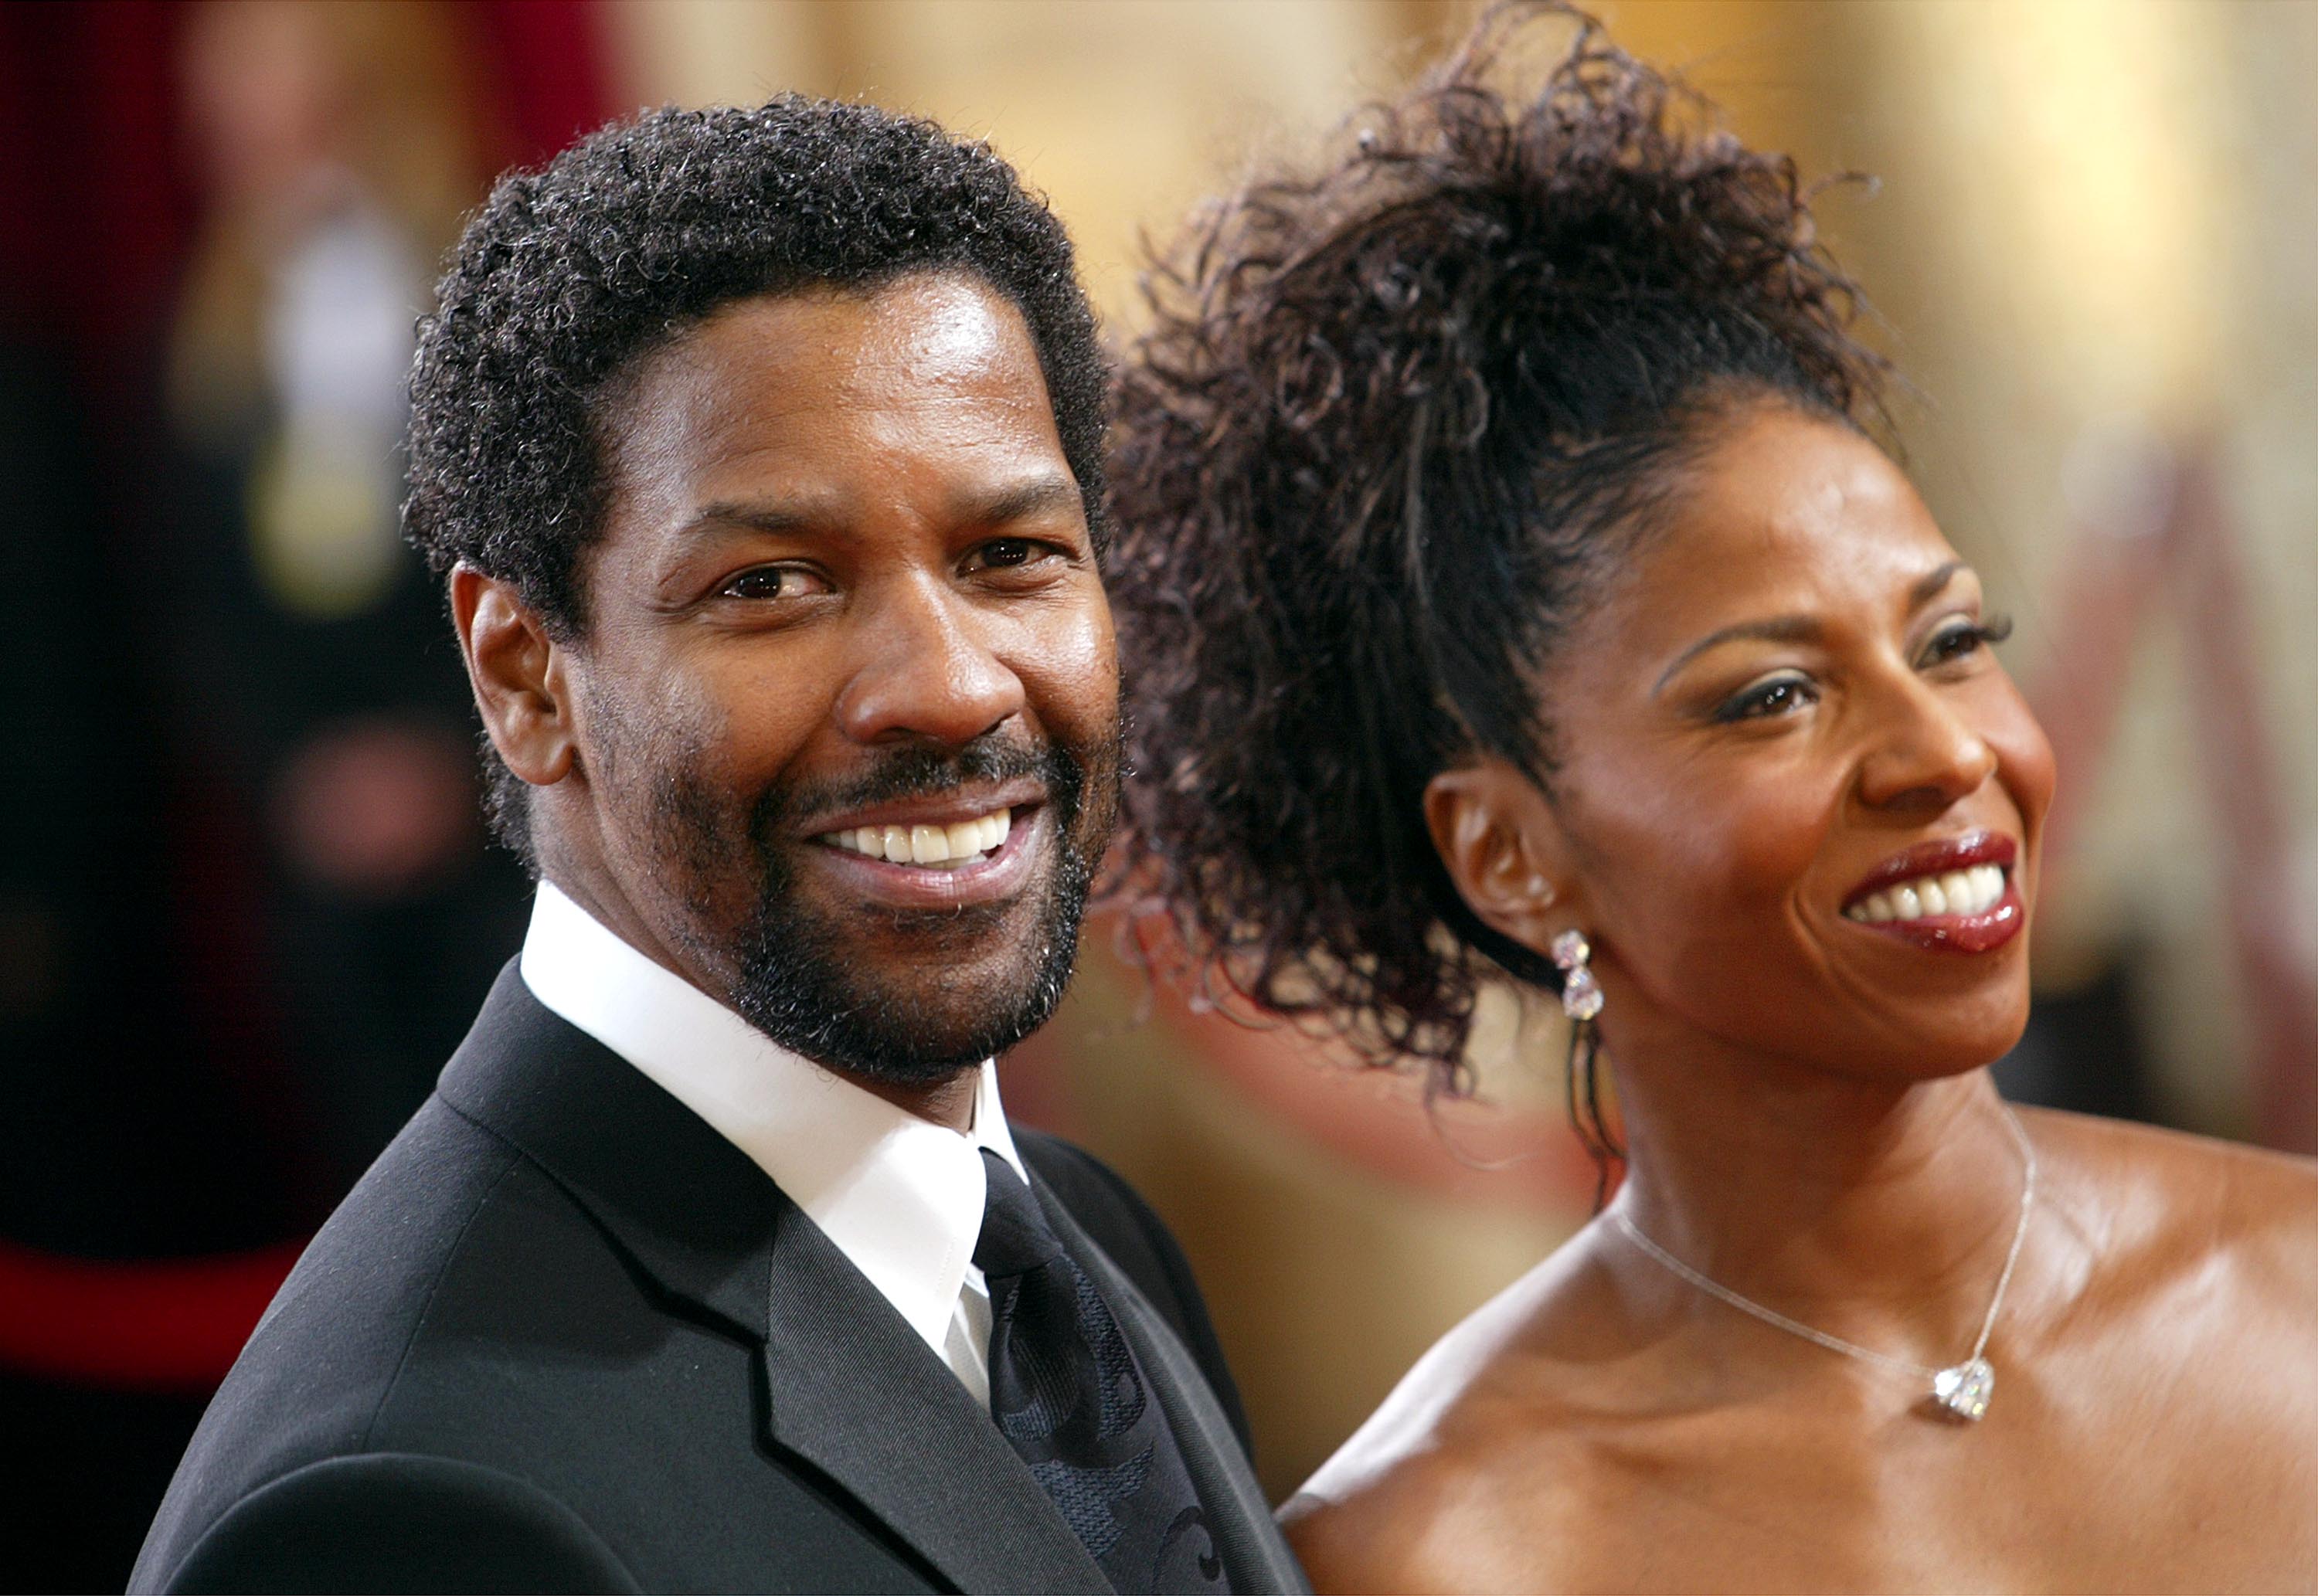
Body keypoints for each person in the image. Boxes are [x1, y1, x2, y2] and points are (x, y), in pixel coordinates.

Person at [1103, 8, 2318, 1594]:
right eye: (1773, 695)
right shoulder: (1443, 1550)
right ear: (1511, 852)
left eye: (1951, 642)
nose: (1942, 753)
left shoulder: (2296, 1281)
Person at [133, 97, 1305, 1596]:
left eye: (1010, 555)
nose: (951, 682)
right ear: (522, 676)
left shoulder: (1086, 1242)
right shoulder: (404, 1505)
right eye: (774, 584)